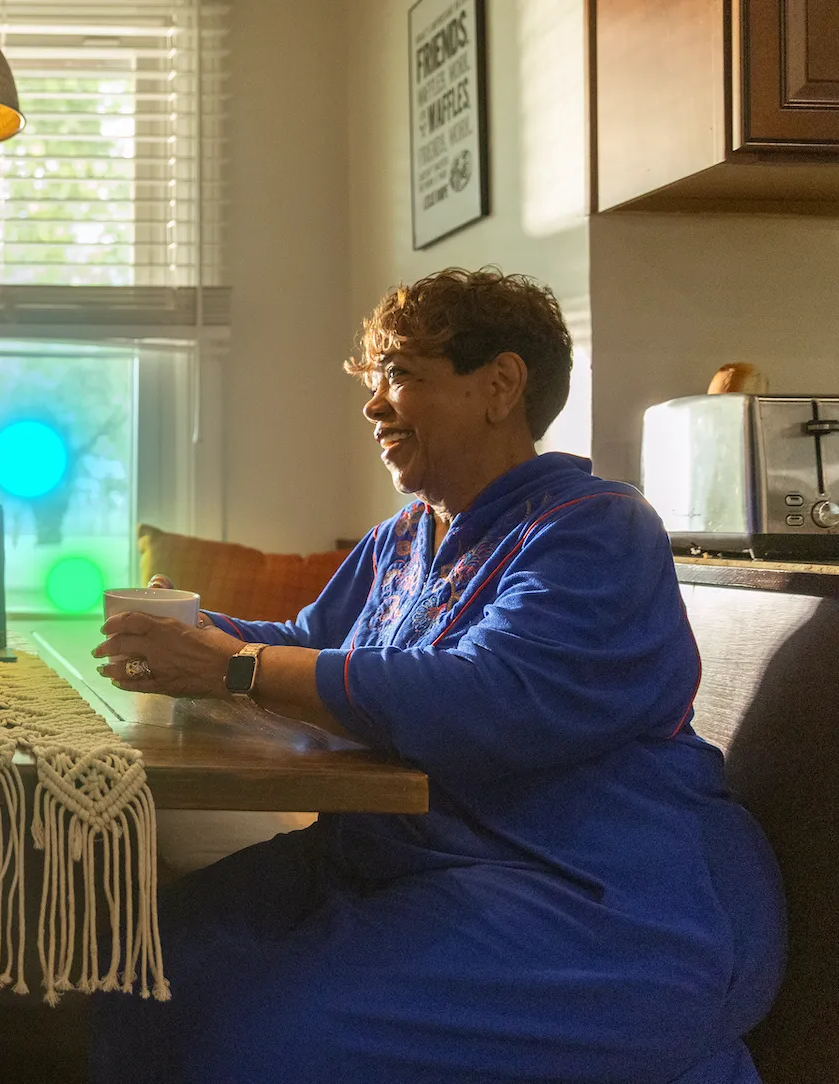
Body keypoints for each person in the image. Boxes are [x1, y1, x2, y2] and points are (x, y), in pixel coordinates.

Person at [87, 268, 785, 1084]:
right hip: (406, 858)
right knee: (140, 961)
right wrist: (193, 634)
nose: (373, 404)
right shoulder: (406, 536)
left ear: (500, 385)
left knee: (260, 1040)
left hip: (591, 896)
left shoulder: (597, 528)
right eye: (375, 379)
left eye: (403, 377)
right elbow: (312, 641)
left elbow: (487, 697)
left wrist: (234, 669)